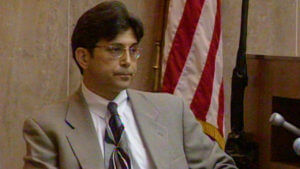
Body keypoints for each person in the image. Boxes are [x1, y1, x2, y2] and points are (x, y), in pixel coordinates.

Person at [23, 1, 237, 169]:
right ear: (83, 57)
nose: (127, 61)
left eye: (133, 50)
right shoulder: (48, 128)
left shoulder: (171, 111)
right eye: (115, 49)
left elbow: (221, 165)